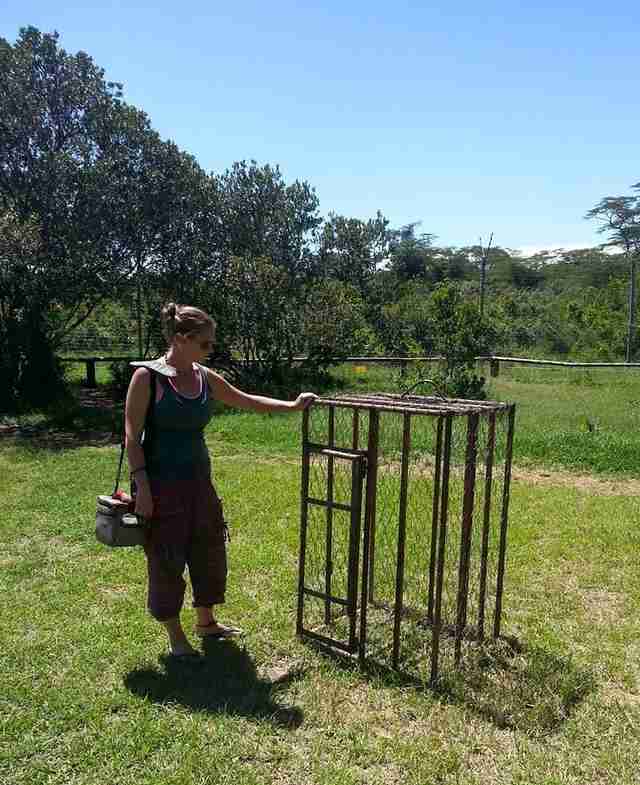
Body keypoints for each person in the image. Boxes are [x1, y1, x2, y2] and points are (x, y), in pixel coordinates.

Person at [125, 303, 317, 658]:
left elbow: (245, 400)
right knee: (166, 558)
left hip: (200, 482)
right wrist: (144, 489)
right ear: (182, 339)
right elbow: (131, 437)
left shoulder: (203, 376)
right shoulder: (147, 378)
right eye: (206, 344)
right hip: (160, 486)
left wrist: (291, 406)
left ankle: (206, 621)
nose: (211, 350)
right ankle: (175, 634)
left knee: (208, 549)